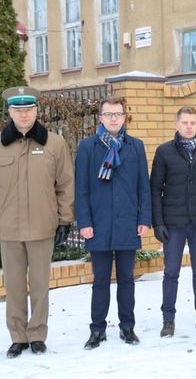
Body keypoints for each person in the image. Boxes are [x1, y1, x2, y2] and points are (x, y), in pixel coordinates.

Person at [0, 86, 74, 358]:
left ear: (37, 111)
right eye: (18, 110)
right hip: (7, 228)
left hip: (43, 227)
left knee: (41, 285)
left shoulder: (54, 144)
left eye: (28, 109)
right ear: (10, 112)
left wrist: (65, 219)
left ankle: (37, 334)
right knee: (14, 285)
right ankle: (18, 336)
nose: (23, 115)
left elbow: (65, 184)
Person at [75, 96, 151, 349]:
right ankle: (97, 330)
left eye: (118, 114)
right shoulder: (87, 147)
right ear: (100, 118)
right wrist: (84, 222)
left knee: (127, 279)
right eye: (109, 115)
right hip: (98, 225)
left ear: (124, 117)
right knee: (100, 280)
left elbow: (144, 187)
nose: (114, 119)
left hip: (128, 223)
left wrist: (144, 219)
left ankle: (127, 328)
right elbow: (81, 189)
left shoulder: (135, 146)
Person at [150, 106, 196, 337]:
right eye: (185, 122)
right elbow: (155, 190)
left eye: (193, 122)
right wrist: (158, 222)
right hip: (173, 224)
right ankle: (168, 320)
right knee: (171, 272)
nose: (189, 126)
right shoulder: (164, 152)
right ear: (177, 125)